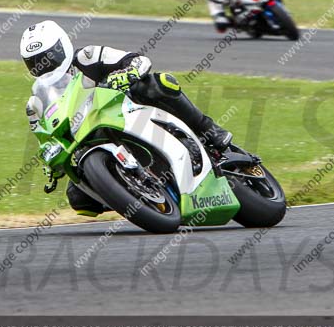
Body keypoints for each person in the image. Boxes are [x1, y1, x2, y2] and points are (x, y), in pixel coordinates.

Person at [20, 20, 232, 216]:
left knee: (160, 83)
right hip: (91, 137)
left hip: (130, 109)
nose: (44, 64)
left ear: (62, 46)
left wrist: (127, 73)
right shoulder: (37, 101)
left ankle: (209, 130)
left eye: (49, 56)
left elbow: (139, 60)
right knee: (78, 199)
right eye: (34, 62)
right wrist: (51, 165)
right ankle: (132, 192)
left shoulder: (88, 56)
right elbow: (45, 138)